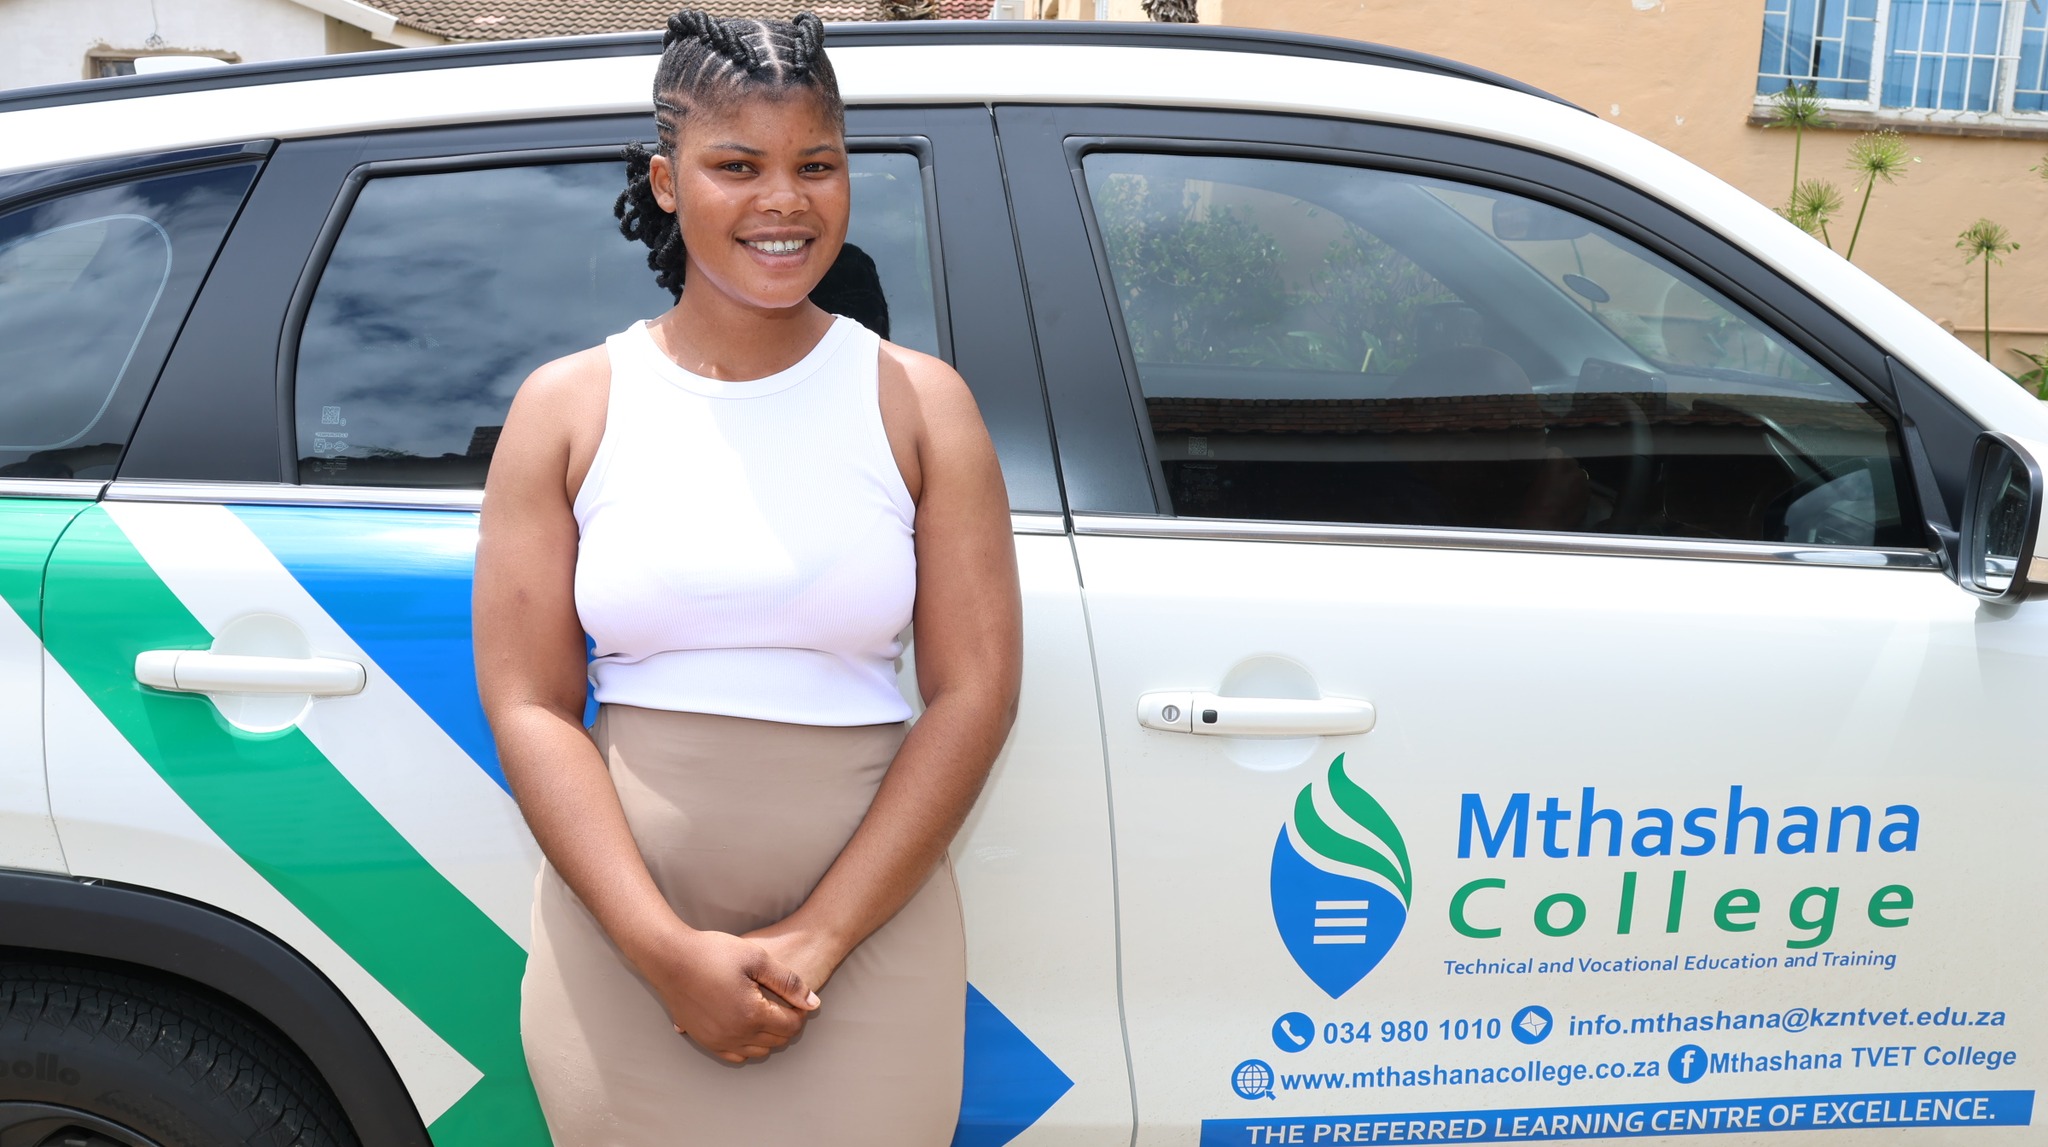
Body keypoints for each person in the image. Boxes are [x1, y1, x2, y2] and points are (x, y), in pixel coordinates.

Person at [471, 10, 1022, 1144]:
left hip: (868, 939)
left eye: (816, 165)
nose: (785, 201)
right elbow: (528, 702)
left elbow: (975, 692)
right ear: (666, 182)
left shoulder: (921, 405)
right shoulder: (568, 407)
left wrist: (820, 936)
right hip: (625, 937)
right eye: (737, 166)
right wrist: (661, 950)